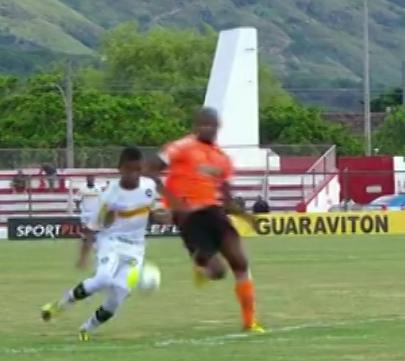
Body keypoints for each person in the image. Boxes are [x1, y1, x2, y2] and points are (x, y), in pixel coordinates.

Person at [149, 107, 264, 333]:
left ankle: (249, 322)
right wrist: (167, 201)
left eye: (211, 125)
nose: (207, 129)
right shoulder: (180, 147)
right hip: (188, 216)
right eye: (202, 125)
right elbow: (151, 168)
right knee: (218, 272)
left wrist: (247, 217)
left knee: (240, 262)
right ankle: (201, 266)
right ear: (195, 126)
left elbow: (228, 199)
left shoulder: (221, 159)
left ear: (217, 127)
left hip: (213, 212)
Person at [41, 147, 162, 341]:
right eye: (130, 170)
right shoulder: (109, 195)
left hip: (136, 250)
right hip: (111, 243)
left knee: (119, 294)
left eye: (138, 170)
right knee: (103, 279)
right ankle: (60, 305)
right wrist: (83, 255)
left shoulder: (149, 186)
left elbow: (155, 212)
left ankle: (86, 330)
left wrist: (169, 217)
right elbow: (92, 227)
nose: (135, 174)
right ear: (120, 169)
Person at [76, 175, 101, 268]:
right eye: (89, 179)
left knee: (93, 231)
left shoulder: (98, 188)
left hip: (95, 213)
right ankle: (89, 245)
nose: (91, 180)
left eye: (92, 178)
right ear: (86, 180)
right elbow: (77, 200)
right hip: (85, 212)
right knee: (86, 231)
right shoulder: (82, 189)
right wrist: (78, 209)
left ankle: (92, 246)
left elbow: (102, 199)